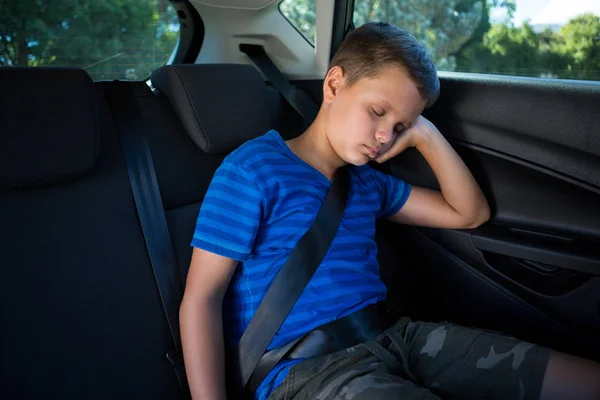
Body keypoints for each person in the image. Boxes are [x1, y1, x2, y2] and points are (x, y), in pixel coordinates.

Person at [179, 22, 600, 400]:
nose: (384, 136)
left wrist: (426, 136)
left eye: (400, 125)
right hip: (305, 369)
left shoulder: (367, 183)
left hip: (397, 337)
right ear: (333, 85)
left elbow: (468, 214)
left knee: (582, 380)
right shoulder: (253, 170)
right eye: (378, 112)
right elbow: (201, 298)